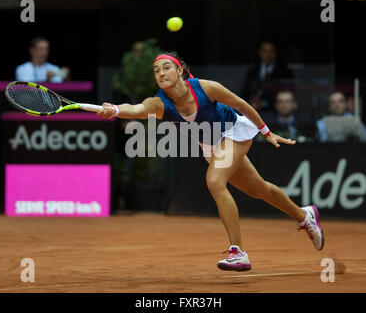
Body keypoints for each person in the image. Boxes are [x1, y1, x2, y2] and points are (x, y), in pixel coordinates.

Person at [98, 52, 324, 272]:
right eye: (156, 70)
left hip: (234, 131)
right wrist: (115, 110)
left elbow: (243, 105)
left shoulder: (206, 88)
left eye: (166, 68)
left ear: (179, 71)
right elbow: (137, 109)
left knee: (215, 181)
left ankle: (238, 252)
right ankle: (305, 216)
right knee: (258, 188)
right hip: (211, 144)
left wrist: (266, 132)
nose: (161, 73)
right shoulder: (159, 102)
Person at [241, 41, 293, 112]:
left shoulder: (284, 72)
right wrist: (251, 102)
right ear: (260, 53)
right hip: (253, 109)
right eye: (264, 51)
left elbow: (285, 93)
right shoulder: (252, 71)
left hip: (274, 110)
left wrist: (265, 103)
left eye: (270, 51)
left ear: (275, 53)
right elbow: (245, 91)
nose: (268, 54)